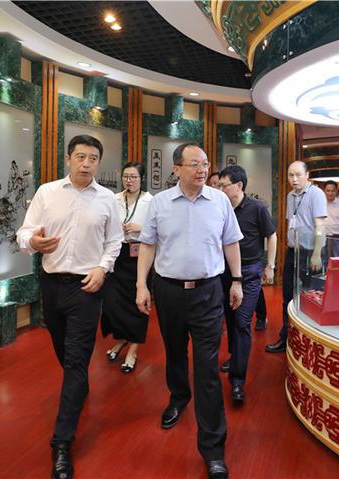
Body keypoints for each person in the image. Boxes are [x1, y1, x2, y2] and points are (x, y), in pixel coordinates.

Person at [16, 135, 123, 479]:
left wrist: (102, 268)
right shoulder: (47, 193)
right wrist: (33, 241)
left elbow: (115, 241)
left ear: (98, 162)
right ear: (68, 159)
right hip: (52, 284)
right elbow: (24, 233)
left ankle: (61, 443)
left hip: (87, 287)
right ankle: (78, 384)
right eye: (80, 157)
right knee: (64, 352)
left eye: (93, 158)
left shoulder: (107, 199)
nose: (87, 163)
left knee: (77, 360)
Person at [136, 143, 243, 479]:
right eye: (194, 164)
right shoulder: (160, 203)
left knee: (207, 368)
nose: (202, 170)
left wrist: (237, 280)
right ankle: (179, 396)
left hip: (208, 292)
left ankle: (213, 449)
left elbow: (231, 242)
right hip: (168, 291)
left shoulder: (220, 201)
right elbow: (148, 244)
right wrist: (141, 285)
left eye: (205, 164)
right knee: (174, 351)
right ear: (176, 169)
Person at [217, 165, 276, 403]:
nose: (220, 189)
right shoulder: (219, 208)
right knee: (231, 319)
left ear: (239, 185)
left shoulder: (257, 208)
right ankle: (235, 356)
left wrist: (270, 265)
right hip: (223, 271)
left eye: (224, 185)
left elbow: (271, 235)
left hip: (250, 272)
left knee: (242, 322)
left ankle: (237, 381)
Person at [266, 161, 327, 353]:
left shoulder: (316, 194)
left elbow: (320, 226)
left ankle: (309, 344)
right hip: (293, 251)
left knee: (309, 298)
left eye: (298, 174)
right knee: (288, 296)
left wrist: (317, 253)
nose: (294, 179)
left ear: (307, 175)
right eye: (290, 175)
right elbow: (292, 223)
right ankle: (287, 338)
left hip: (310, 253)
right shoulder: (290, 196)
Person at [101, 162, 153, 373]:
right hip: (118, 253)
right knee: (113, 302)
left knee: (137, 303)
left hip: (140, 255)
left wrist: (140, 228)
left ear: (142, 179)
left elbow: (159, 229)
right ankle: (122, 339)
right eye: (125, 176)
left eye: (133, 177)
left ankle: (133, 349)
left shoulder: (150, 201)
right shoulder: (114, 199)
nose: (129, 181)